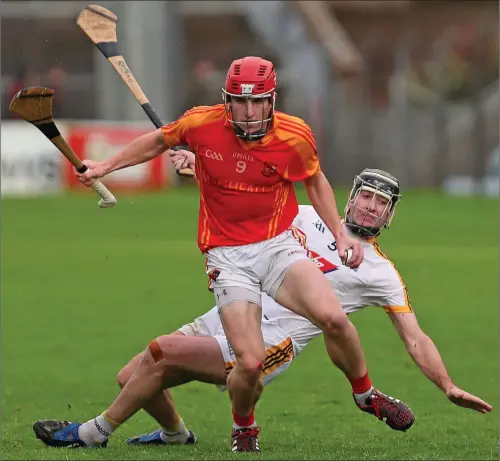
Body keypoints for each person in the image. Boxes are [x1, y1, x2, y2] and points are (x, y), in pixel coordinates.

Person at [73, 56, 405, 452]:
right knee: (248, 364)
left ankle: (365, 394)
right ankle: (241, 428)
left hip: (277, 245)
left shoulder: (294, 135)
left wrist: (339, 231)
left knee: (334, 317)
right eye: (240, 102)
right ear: (226, 100)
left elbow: (313, 179)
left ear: (272, 100)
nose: (249, 112)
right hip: (228, 257)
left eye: (258, 102)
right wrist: (106, 165)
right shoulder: (200, 124)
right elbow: (160, 140)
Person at [33, 168, 492, 451]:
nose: (371, 207)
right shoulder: (306, 214)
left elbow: (415, 337)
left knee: (162, 352)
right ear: (349, 198)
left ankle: (91, 433)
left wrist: (447, 385)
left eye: (382, 203)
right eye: (366, 196)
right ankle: (176, 434)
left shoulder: (380, 273)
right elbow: (246, 199)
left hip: (271, 342)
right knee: (130, 376)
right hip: (229, 310)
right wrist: (200, 169)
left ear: (390, 217)